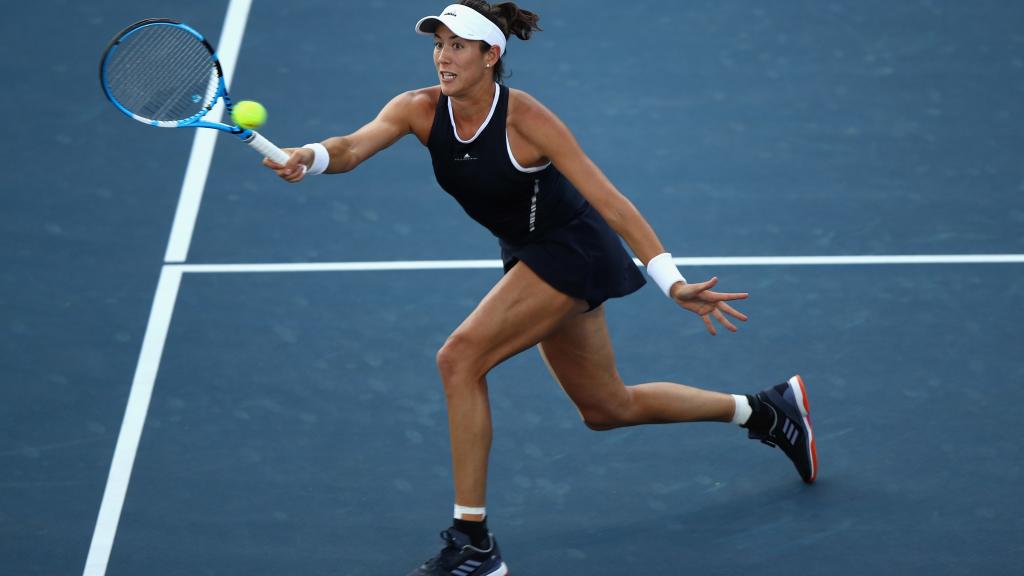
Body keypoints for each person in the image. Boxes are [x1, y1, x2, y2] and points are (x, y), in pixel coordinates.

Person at [264, 2, 818, 574]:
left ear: (490, 56)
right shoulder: (418, 109)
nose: (443, 56)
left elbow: (611, 203)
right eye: (439, 43)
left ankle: (473, 542)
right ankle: (765, 412)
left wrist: (671, 282)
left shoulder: (525, 118)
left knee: (459, 359)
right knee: (606, 407)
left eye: (458, 45)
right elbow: (353, 147)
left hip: (571, 251)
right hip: (531, 253)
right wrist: (312, 156)